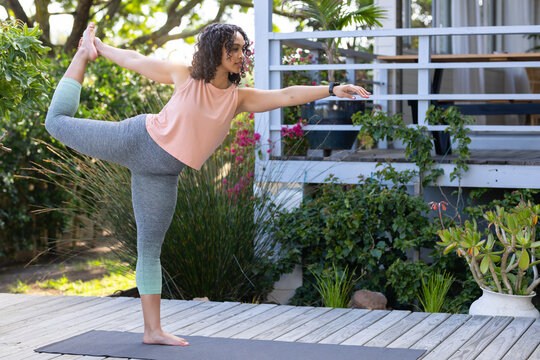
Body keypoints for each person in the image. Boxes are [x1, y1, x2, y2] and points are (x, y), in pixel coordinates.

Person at [45, 21, 371, 347]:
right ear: (217, 49)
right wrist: (98, 48)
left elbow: (287, 95)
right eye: (235, 48)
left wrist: (331, 89)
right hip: (136, 140)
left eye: (244, 49)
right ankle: (82, 56)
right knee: (56, 123)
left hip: (161, 175)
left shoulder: (237, 98)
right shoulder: (185, 76)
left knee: (150, 250)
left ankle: (152, 331)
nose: (242, 55)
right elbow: (134, 59)